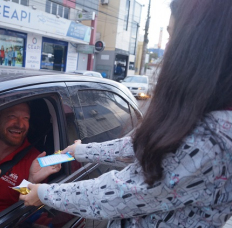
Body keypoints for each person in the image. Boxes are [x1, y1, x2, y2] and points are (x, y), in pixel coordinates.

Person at [20, 0, 232, 227]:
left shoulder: (209, 140)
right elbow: (137, 146)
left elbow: (119, 193)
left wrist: (43, 193)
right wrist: (78, 151)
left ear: (204, 46)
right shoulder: (202, 120)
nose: (168, 48)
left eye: (173, 36)